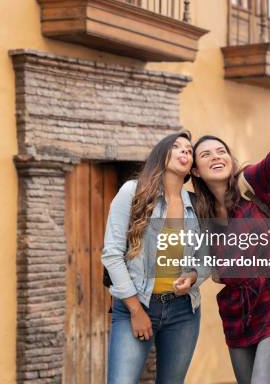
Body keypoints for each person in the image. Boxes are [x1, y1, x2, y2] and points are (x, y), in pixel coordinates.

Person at [190, 81, 270, 384]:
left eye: (221, 151)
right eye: (206, 155)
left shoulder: (251, 184)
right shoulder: (201, 215)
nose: (216, 157)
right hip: (238, 316)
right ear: (195, 171)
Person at [102, 130, 209, 384]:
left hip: (184, 311)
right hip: (135, 305)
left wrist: (194, 276)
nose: (185, 150)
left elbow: (206, 257)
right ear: (161, 155)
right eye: (177, 146)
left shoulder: (197, 205)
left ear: (192, 167)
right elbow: (112, 255)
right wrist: (136, 310)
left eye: (189, 150)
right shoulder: (132, 192)